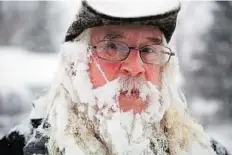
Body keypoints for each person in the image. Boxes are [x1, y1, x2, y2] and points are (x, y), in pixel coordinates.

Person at [0, 0, 230, 155]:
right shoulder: (18, 148)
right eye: (113, 46)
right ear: (77, 65)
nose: (136, 67)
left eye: (149, 50)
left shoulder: (205, 150)